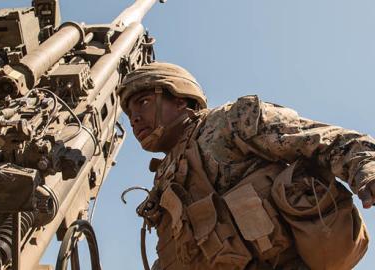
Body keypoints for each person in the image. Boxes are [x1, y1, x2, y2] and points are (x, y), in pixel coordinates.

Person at [117, 62, 375, 270]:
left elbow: (324, 139)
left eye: (144, 102)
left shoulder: (228, 122)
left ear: (180, 100)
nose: (135, 118)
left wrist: (367, 169)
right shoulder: (163, 184)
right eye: (129, 113)